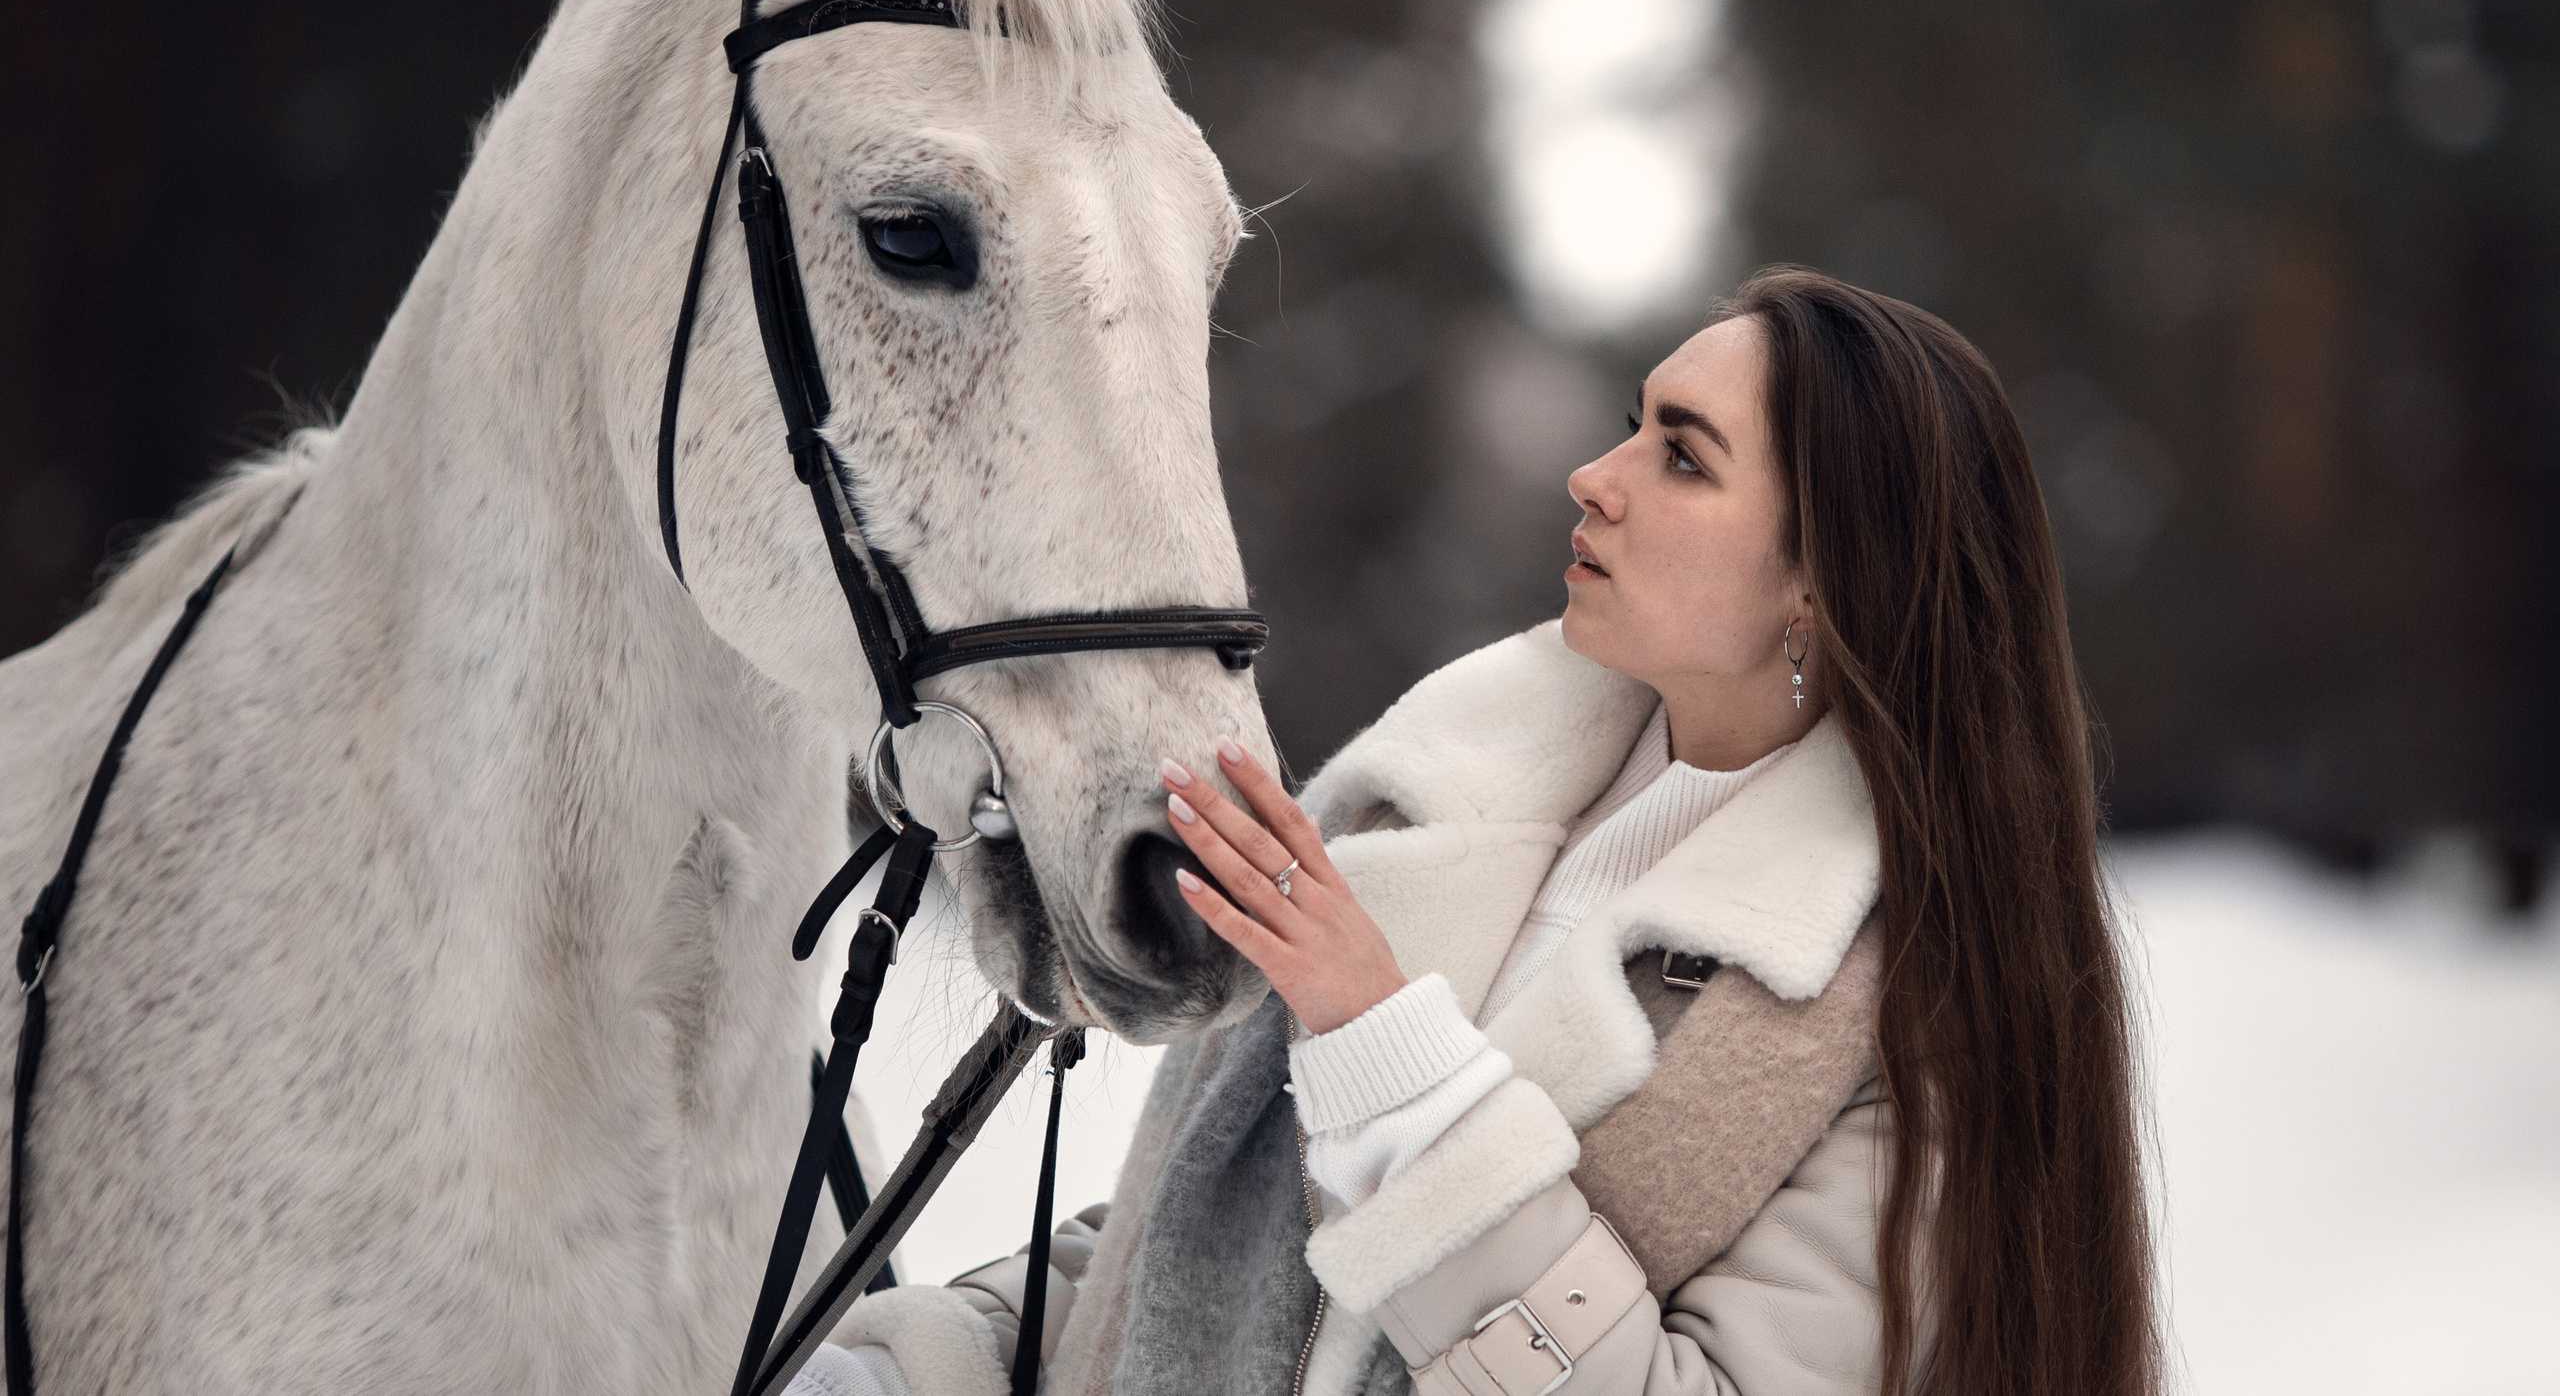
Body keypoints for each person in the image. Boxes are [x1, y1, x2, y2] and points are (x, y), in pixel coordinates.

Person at [795, 269, 2160, 1396]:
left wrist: (1395, 1059)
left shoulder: (1905, 1014)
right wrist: (902, 1372)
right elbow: (1212, 1263)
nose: (1593, 474)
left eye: (1681, 457)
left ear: (1823, 586)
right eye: (1633, 424)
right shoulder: (1445, 797)